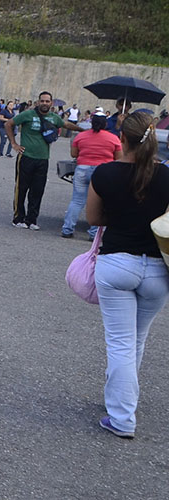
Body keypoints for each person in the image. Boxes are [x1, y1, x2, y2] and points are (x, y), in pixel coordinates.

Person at [85, 112, 169, 439]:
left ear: (123, 137)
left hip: (117, 262)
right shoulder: (166, 176)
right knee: (136, 341)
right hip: (157, 270)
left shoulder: (105, 173)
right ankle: (121, 400)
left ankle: (122, 418)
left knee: (119, 343)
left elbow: (92, 217)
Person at [6, 91, 82, 230]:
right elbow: (9, 124)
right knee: (21, 188)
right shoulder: (28, 114)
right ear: (38, 102)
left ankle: (32, 220)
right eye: (42, 101)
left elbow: (66, 125)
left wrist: (83, 129)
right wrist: (14, 144)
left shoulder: (54, 118)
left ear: (51, 103)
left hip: (43, 159)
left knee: (38, 190)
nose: (45, 103)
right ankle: (18, 218)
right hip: (26, 157)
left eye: (47, 101)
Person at [61, 107, 121, 239]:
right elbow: (118, 157)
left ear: (91, 123)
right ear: (105, 124)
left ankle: (67, 229)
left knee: (77, 200)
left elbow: (74, 154)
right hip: (103, 171)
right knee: (101, 202)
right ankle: (94, 234)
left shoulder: (81, 136)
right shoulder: (113, 138)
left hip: (82, 169)